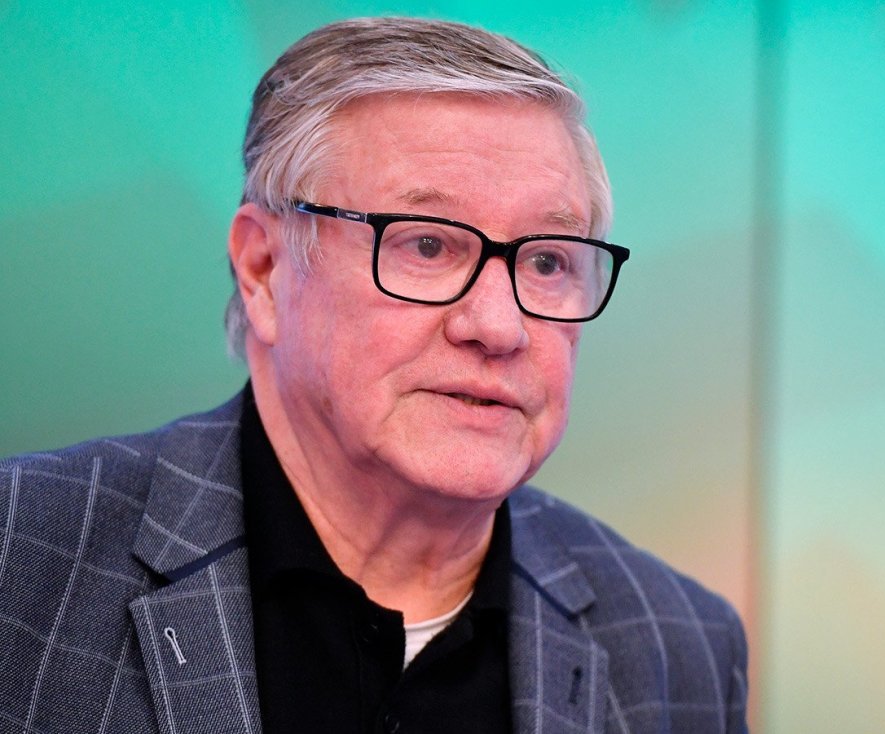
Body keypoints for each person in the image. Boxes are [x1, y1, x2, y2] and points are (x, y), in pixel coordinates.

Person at [0, 17, 748, 734]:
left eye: (548, 261)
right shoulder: (22, 554)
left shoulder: (679, 647)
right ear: (263, 270)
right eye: (427, 245)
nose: (498, 326)